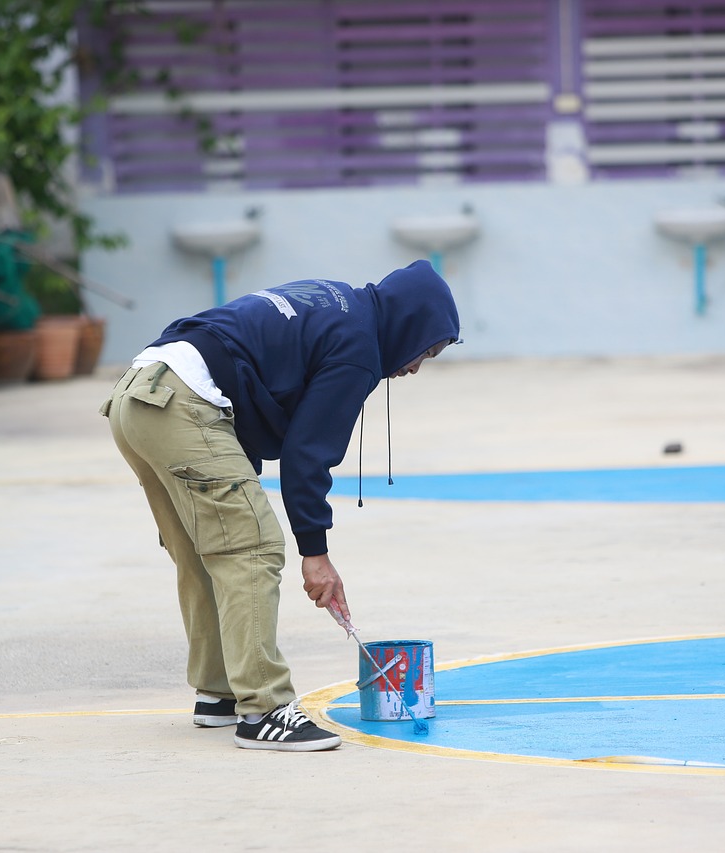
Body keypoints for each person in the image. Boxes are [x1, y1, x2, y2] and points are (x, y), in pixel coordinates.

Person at [100, 260, 460, 752]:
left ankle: (219, 693)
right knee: (252, 546)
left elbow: (240, 356)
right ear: (410, 324)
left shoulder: (333, 299)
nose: (416, 365)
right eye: (428, 349)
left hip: (140, 391)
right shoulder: (358, 347)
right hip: (184, 402)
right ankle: (265, 710)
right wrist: (316, 554)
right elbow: (306, 456)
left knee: (208, 549)